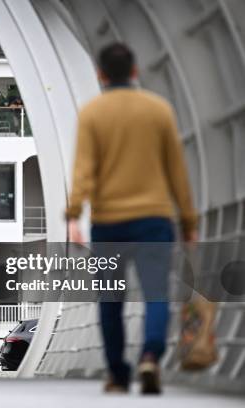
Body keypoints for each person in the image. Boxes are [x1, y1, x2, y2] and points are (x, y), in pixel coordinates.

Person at [65, 43, 198, 395]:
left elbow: (84, 171)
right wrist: (188, 220)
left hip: (109, 222)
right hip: (155, 218)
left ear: (101, 75)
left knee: (111, 299)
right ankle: (151, 355)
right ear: (135, 71)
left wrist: (74, 214)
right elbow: (176, 171)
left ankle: (118, 375)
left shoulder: (93, 113)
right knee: (156, 293)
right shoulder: (159, 111)